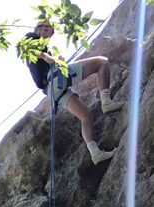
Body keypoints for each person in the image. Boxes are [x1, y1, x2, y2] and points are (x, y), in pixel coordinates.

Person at [23, 21, 125, 165]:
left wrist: (54, 59)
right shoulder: (31, 37)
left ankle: (95, 153)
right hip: (55, 77)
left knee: (85, 116)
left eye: (51, 31)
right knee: (102, 62)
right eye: (46, 28)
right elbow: (28, 49)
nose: (49, 32)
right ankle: (106, 101)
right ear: (39, 29)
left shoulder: (44, 47)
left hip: (51, 90)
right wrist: (50, 59)